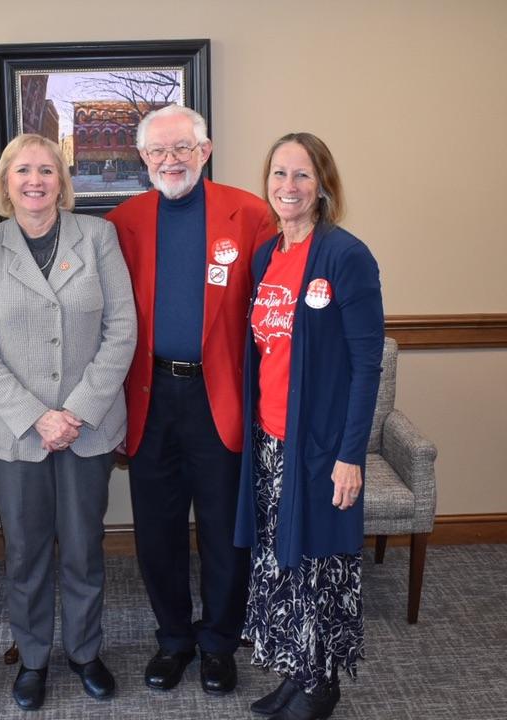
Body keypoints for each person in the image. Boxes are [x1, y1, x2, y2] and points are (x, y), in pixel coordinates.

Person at [0, 134, 136, 711]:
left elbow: (122, 331)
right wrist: (38, 416)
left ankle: (85, 652)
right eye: (22, 171)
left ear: (62, 181)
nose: (34, 181)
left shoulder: (98, 237)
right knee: (26, 551)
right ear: (5, 183)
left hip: (89, 426)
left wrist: (74, 412)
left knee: (84, 547)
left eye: (45, 170)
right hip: (16, 431)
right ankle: (33, 658)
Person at [105, 105, 276, 695]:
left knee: (225, 530)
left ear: (205, 151)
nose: (170, 160)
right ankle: (174, 639)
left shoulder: (250, 215)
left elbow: (273, 316)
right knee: (157, 530)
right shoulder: (123, 221)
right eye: (157, 151)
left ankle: (220, 643)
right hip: (150, 396)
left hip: (218, 397)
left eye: (182, 148)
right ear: (143, 158)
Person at [234, 133, 384, 720]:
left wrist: (351, 456)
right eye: (279, 173)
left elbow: (366, 365)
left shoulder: (346, 256)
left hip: (321, 449)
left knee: (319, 565)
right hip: (270, 442)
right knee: (282, 564)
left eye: (301, 175)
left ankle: (322, 686)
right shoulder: (265, 256)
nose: (288, 186)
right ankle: (297, 672)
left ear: (322, 184)